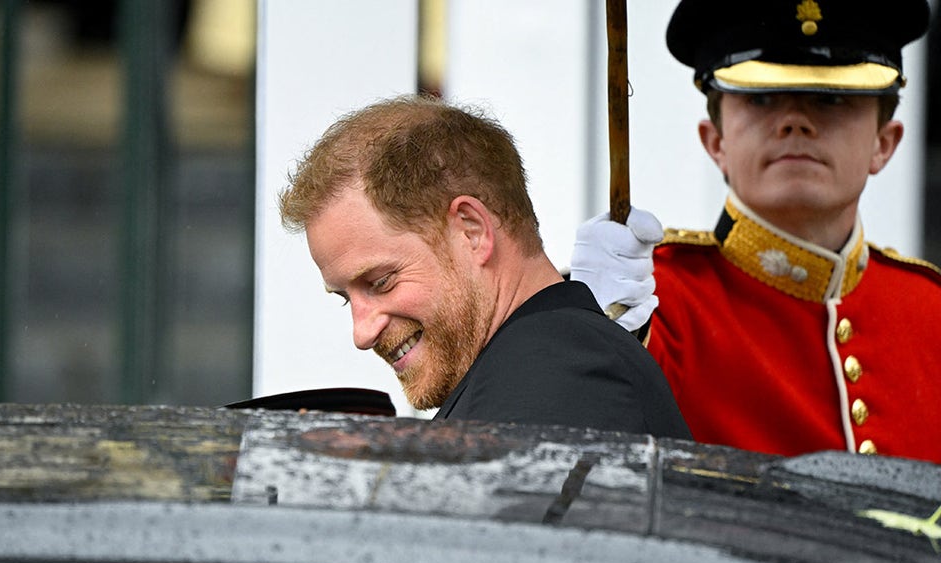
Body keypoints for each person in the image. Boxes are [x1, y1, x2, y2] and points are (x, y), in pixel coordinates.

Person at [571, 0, 941, 461]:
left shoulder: (930, 309)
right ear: (715, 142)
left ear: (884, 144)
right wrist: (582, 323)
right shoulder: (651, 305)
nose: (795, 122)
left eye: (831, 99)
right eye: (761, 98)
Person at [279, 95, 691, 439]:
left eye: (381, 282)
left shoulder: (557, 379)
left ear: (472, 231)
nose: (362, 334)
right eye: (344, 299)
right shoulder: (534, 371)